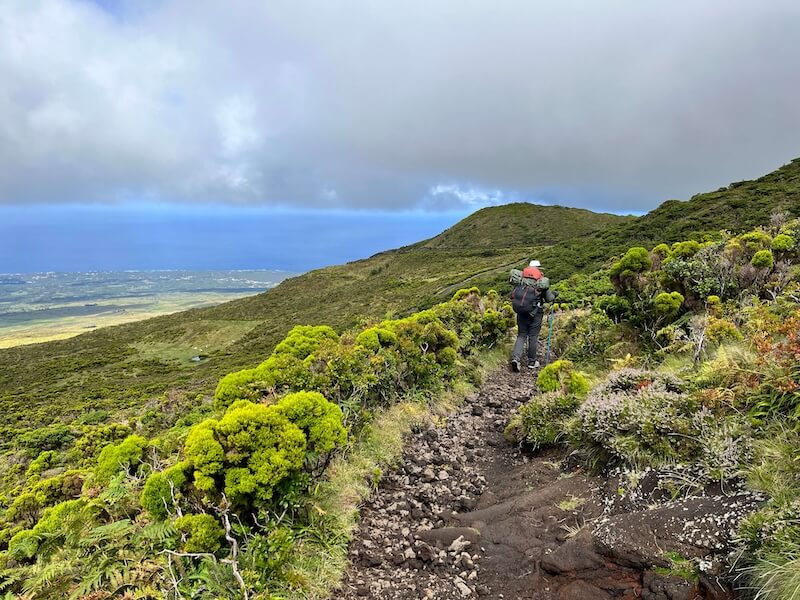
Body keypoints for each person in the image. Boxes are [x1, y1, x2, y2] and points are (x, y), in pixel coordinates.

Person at [510, 260, 556, 372]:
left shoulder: (520, 280)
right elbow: (549, 298)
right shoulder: (540, 282)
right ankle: (532, 362)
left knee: (521, 335)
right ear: (538, 269)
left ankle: (516, 359)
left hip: (521, 311)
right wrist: (554, 294)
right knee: (533, 336)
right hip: (535, 313)